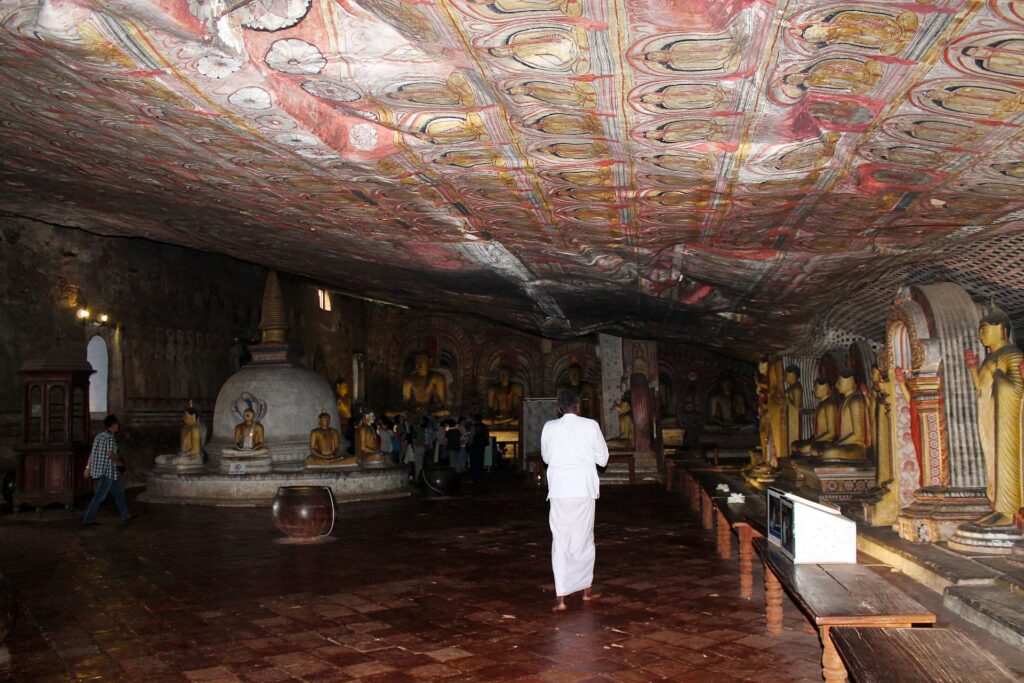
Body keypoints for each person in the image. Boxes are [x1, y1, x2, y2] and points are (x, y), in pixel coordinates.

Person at [541, 390, 609, 612]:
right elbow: (603, 458)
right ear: (579, 407)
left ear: (559, 408)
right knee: (584, 538)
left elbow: (546, 457)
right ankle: (586, 590)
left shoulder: (549, 427)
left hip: (560, 489)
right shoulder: (591, 426)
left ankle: (561, 597)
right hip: (583, 489)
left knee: (560, 539)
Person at [82, 415, 133, 525]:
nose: (118, 425)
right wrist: (119, 463)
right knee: (99, 496)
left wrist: (87, 467)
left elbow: (92, 453)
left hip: (103, 471)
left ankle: (126, 514)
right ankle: (88, 519)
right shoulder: (110, 438)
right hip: (108, 471)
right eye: (117, 424)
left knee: (118, 493)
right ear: (113, 425)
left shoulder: (99, 436)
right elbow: (110, 454)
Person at [469, 414, 489, 482]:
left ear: (475, 420)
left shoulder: (473, 427)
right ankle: (480, 476)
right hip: (482, 445)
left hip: (474, 445)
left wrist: (469, 444)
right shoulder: (485, 427)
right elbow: (487, 436)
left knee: (474, 462)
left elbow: (471, 437)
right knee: (480, 461)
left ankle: (475, 477)